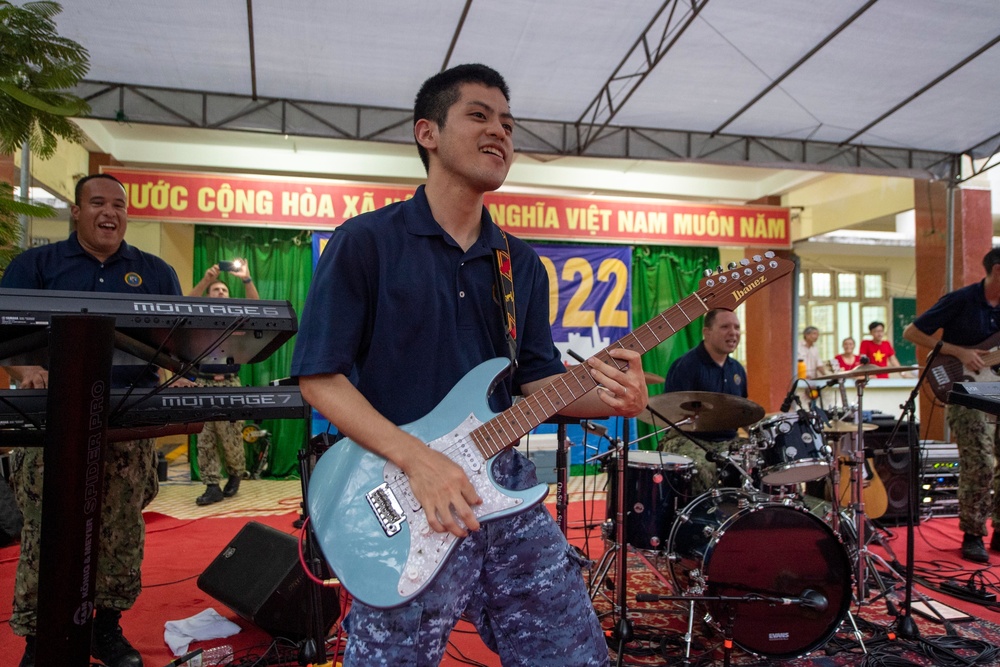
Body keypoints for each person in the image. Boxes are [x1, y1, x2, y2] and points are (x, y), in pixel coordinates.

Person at [291, 64, 647, 666]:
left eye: (507, 123)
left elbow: (536, 382)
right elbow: (320, 379)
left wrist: (615, 397)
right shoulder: (366, 242)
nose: (499, 132)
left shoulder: (520, 265)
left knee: (572, 654)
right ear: (427, 132)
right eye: (479, 116)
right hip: (401, 485)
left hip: (503, 486)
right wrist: (419, 460)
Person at [1, 173, 183, 667]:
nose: (110, 213)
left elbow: (176, 342)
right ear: (76, 211)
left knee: (122, 530)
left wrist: (179, 376)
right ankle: (40, 638)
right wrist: (24, 370)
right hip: (51, 426)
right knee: (47, 532)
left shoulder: (155, 271)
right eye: (98, 203)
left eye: (119, 205)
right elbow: (5, 334)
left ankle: (106, 629)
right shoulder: (35, 266)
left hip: (127, 423)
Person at [903, 248, 1000, 563]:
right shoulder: (962, 299)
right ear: (997, 270)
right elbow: (912, 332)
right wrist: (958, 352)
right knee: (980, 462)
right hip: (963, 387)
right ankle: (973, 534)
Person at [188, 262, 258, 505]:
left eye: (224, 290)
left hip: (229, 383)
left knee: (231, 437)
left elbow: (257, 307)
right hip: (203, 383)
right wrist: (206, 280)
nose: (220, 292)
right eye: (215, 290)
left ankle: (236, 474)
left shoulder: (236, 317)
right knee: (204, 437)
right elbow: (186, 304)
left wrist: (246, 279)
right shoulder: (201, 317)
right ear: (208, 295)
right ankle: (211, 485)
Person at [658, 309, 748, 494]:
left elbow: (744, 412)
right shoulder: (686, 366)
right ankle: (703, 511)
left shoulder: (737, 370)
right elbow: (671, 413)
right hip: (688, 438)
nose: (733, 333)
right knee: (702, 467)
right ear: (707, 332)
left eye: (737, 327)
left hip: (727, 440)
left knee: (757, 460)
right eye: (725, 327)